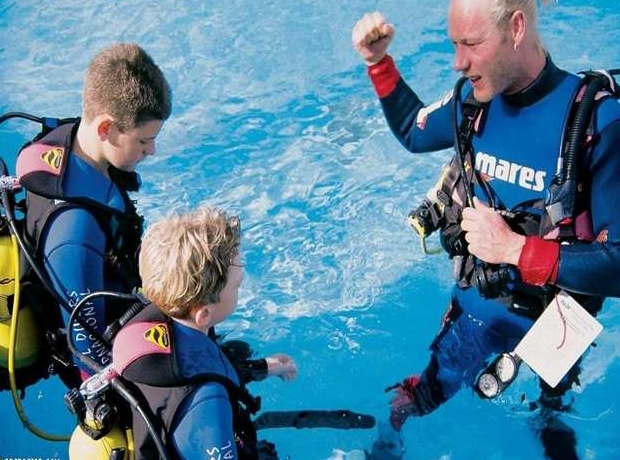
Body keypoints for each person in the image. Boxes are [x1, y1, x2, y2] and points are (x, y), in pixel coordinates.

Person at [352, 1, 620, 459]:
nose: (458, 62)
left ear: (516, 28)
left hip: (558, 326)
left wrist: (516, 249)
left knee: (554, 414)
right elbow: (414, 130)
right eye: (454, 44)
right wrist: (379, 63)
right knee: (414, 401)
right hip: (475, 314)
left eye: (472, 44)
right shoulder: (472, 104)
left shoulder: (597, 121)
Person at [15, 43, 172, 376]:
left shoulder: (73, 141)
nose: (152, 150)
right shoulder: (73, 233)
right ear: (105, 129)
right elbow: (87, 353)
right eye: (144, 141)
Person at [115, 205, 298, 459]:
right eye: (236, 286)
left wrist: (264, 367)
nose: (240, 288)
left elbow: (197, 361)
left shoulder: (153, 323)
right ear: (203, 315)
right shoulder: (209, 401)